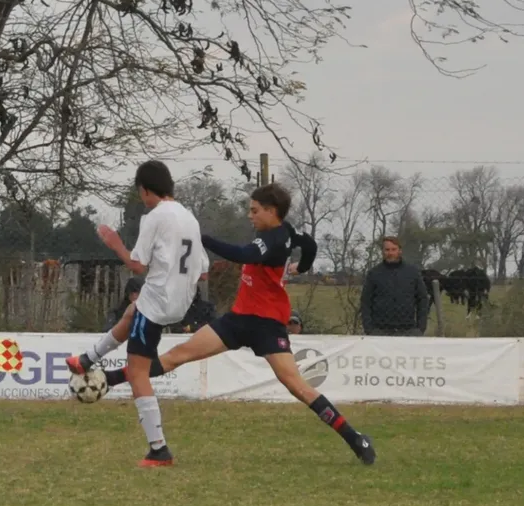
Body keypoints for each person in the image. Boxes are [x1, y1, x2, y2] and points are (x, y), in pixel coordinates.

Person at [106, 184, 375, 466]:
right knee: (178, 355)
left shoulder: (272, 238)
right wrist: (303, 266)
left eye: (254, 210)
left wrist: (202, 238)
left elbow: (243, 255)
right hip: (238, 319)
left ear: (272, 212)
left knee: (298, 387)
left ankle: (355, 438)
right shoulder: (289, 231)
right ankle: (113, 378)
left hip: (267, 326)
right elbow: (309, 245)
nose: (250, 215)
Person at [79, 160, 208, 467]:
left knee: (138, 371)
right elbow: (203, 272)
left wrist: (115, 244)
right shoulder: (189, 217)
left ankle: (158, 449)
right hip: (180, 301)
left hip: (157, 302)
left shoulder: (154, 216)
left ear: (146, 190)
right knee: (129, 313)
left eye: (141, 193)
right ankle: (87, 359)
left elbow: (137, 266)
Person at [360, 236, 429, 336]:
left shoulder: (413, 272)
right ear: (383, 251)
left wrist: (420, 328)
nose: (390, 253)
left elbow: (422, 300)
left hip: (408, 330)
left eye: (393, 249)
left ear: (400, 251)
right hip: (379, 331)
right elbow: (365, 301)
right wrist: (369, 329)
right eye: (387, 250)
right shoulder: (374, 274)